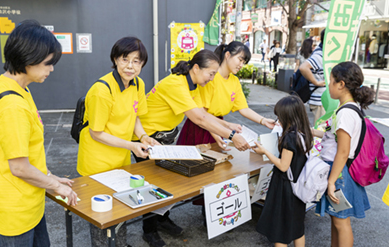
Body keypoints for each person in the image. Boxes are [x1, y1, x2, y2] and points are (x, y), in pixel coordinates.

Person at [134, 49, 251, 247]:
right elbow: (198, 118)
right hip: (145, 137)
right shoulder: (175, 84)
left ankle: (162, 219)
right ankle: (149, 230)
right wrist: (231, 134)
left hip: (162, 137)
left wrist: (228, 126)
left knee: (167, 181)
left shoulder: (193, 85)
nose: (212, 78)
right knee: (152, 184)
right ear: (196, 68)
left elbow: (203, 114)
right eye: (211, 74)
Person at [0, 20, 78, 247]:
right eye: (48, 63)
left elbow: (25, 148)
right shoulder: (12, 106)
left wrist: (50, 176)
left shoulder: (14, 86)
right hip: (16, 208)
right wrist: (55, 186)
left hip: (29, 198)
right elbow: (18, 166)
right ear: (29, 59)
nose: (52, 69)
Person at [77, 36, 156, 247]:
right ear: (115, 59)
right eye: (125, 59)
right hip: (97, 161)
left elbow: (135, 116)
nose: (130, 66)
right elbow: (96, 133)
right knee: (102, 214)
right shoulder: (102, 90)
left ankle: (120, 245)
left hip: (119, 158)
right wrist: (132, 145)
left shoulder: (138, 84)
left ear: (142, 64)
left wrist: (143, 136)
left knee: (121, 207)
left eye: (136, 61)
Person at [313, 62, 373, 247]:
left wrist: (331, 182)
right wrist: (307, 131)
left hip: (339, 174)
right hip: (340, 171)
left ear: (341, 84)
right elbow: (332, 136)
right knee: (336, 219)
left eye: (330, 81)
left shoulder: (346, 112)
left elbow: (343, 151)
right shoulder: (349, 108)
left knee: (342, 222)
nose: (328, 85)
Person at [177, 41, 275, 149]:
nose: (241, 65)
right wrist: (218, 131)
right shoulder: (210, 77)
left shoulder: (234, 81)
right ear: (227, 55)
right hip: (201, 127)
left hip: (219, 126)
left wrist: (264, 120)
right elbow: (201, 115)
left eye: (244, 62)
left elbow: (243, 108)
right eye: (240, 60)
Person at [252, 95, 313, 247]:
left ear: (287, 116)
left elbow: (283, 166)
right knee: (297, 228)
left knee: (280, 230)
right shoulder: (304, 133)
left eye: (279, 116)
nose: (277, 119)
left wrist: (265, 151)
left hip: (285, 188)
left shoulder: (289, 138)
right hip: (298, 186)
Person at [299, 29, 326, 126]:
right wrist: (316, 82)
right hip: (320, 101)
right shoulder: (320, 55)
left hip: (322, 100)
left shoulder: (322, 52)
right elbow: (303, 67)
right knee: (320, 131)